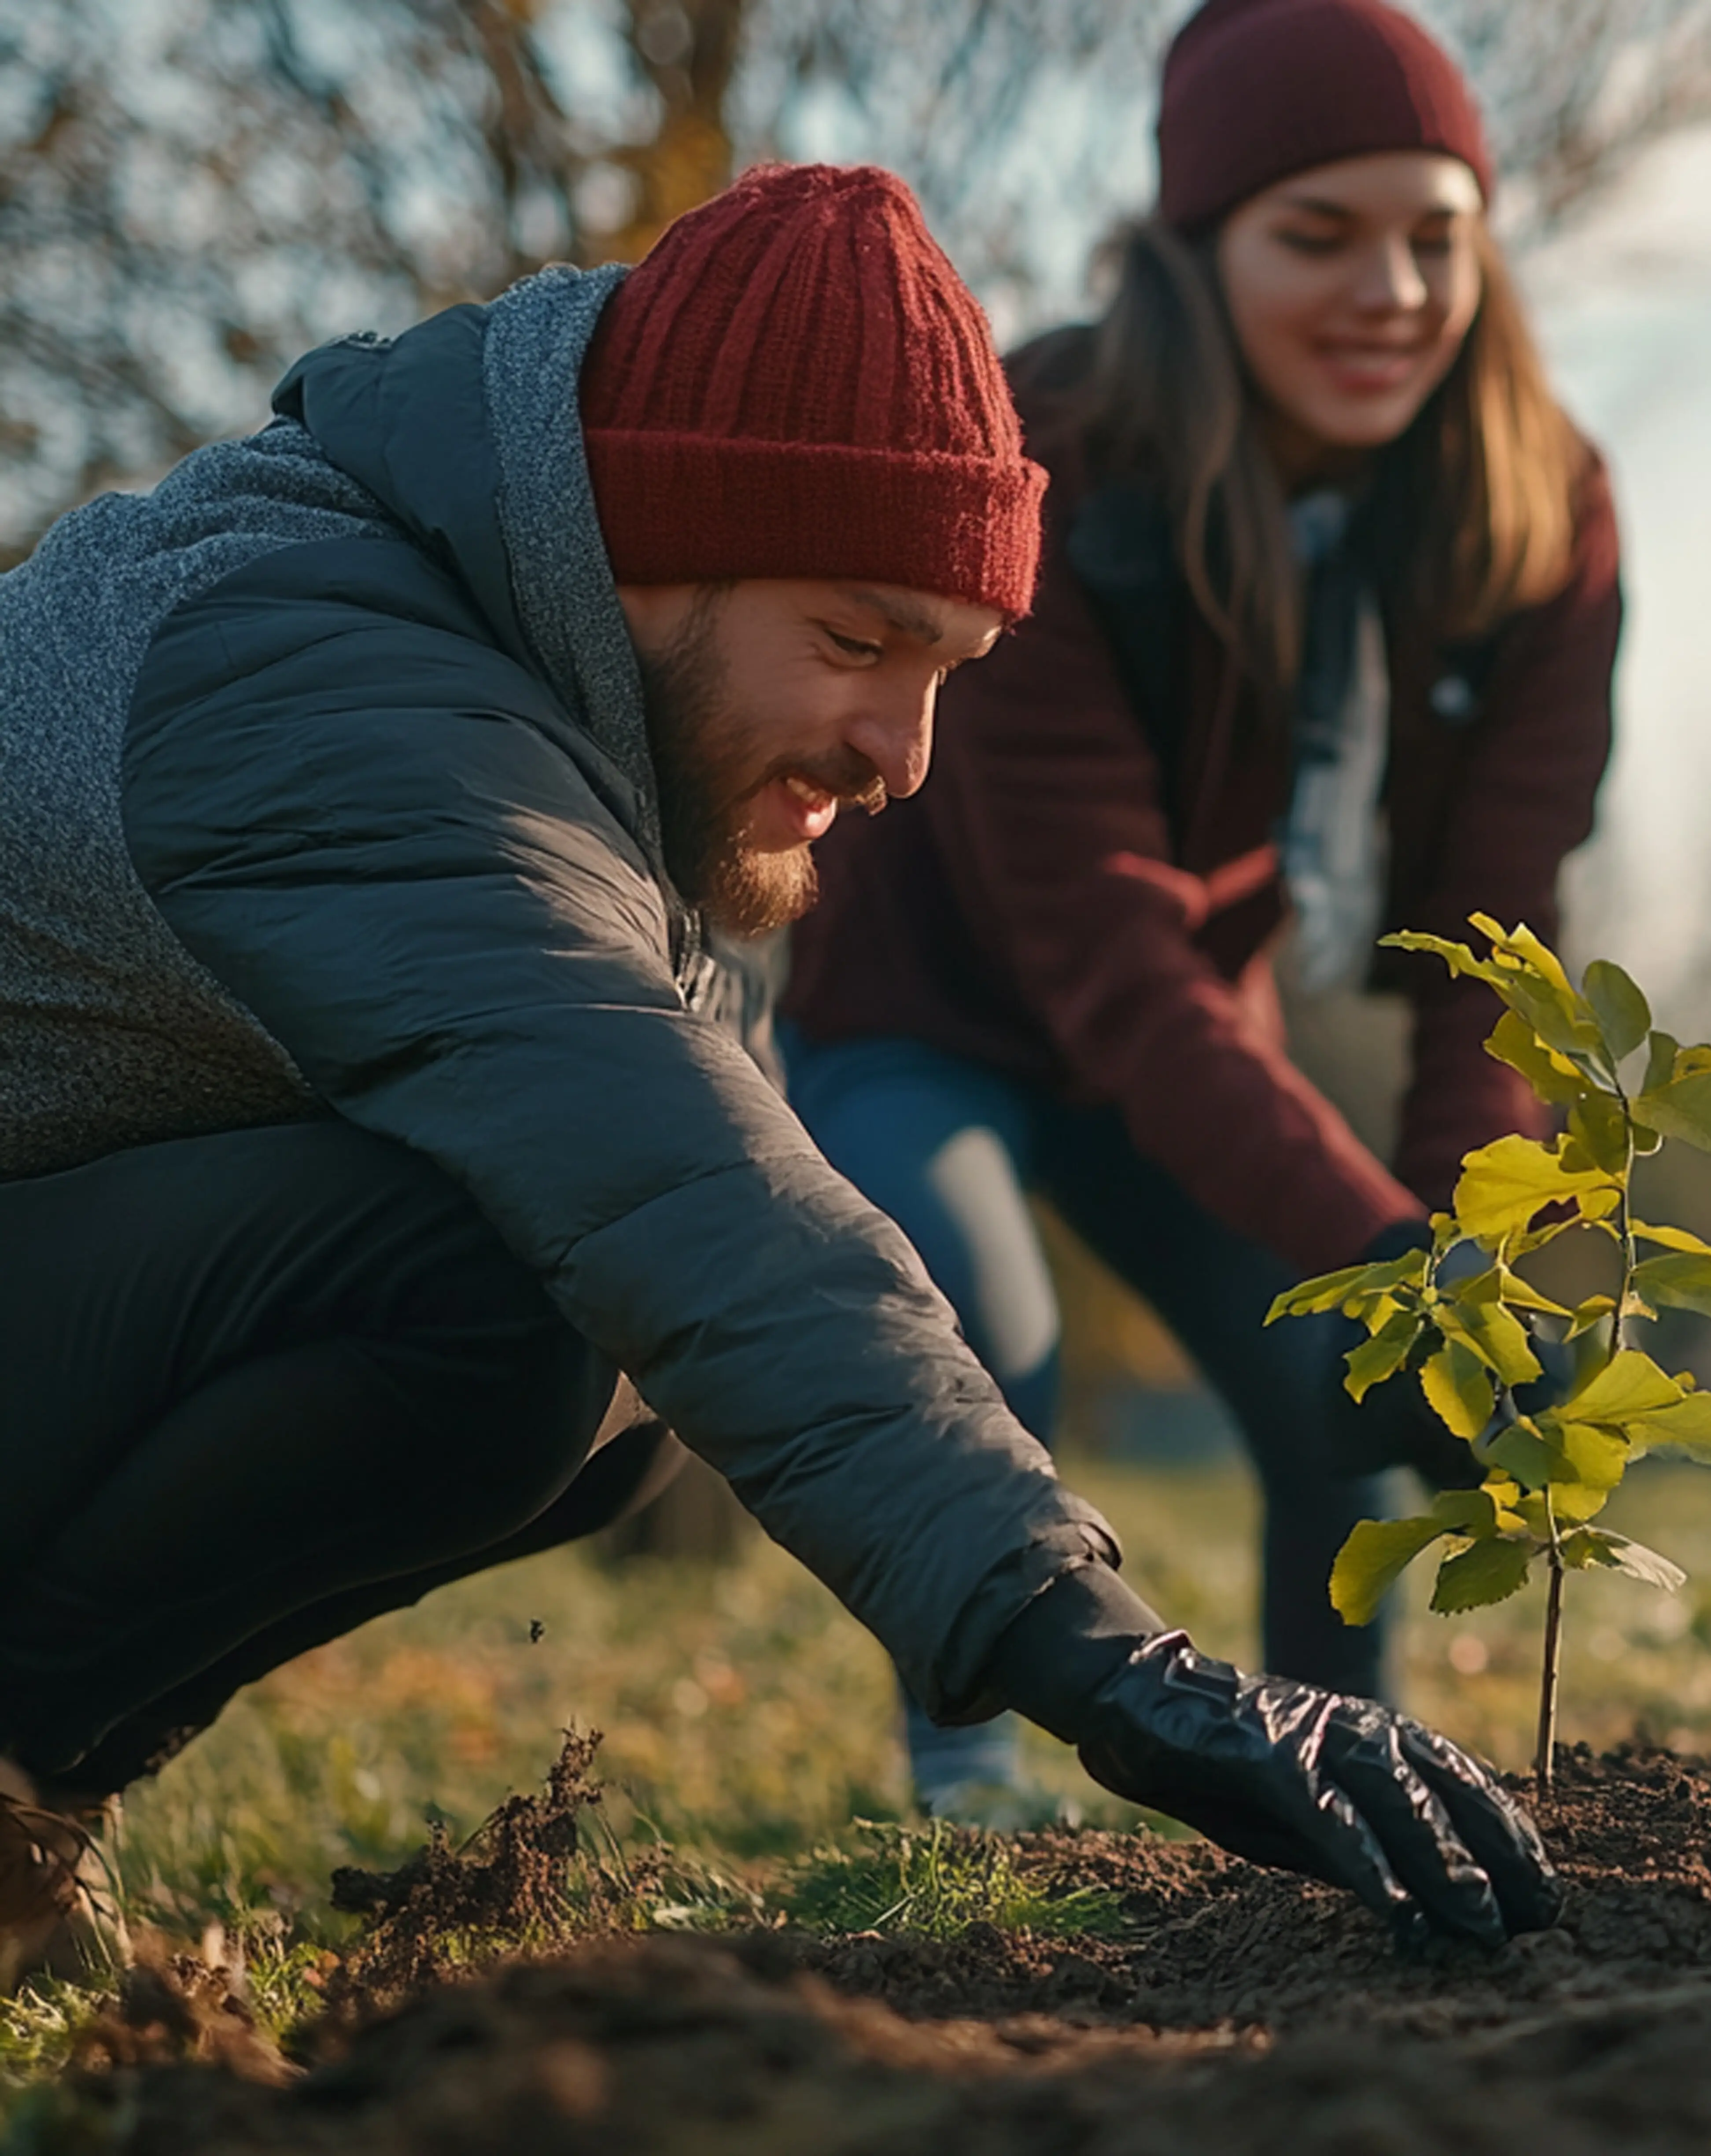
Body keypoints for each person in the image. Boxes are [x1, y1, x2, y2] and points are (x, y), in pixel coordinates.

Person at [0, 162, 1555, 1992]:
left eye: (950, 669)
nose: (902, 756)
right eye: (853, 640)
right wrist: (1114, 1665)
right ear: (644, 543)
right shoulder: (326, 680)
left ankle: (30, 1801)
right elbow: (680, 1188)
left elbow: (723, 1202)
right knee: (516, 1279)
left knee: (594, 1348)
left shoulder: (597, 727)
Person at [778, 0, 1621, 1816]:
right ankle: (968, 1785)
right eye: (1316, 237)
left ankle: (1354, 1793)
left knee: (1358, 1368)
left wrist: (1460, 1263)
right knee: (973, 1316)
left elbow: (1498, 936)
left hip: (1184, 1032)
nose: (1387, 290)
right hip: (927, 1009)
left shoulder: (1543, 515)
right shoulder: (1050, 460)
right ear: (1194, 247)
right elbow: (1107, 960)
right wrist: (1392, 1248)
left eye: (1433, 237)